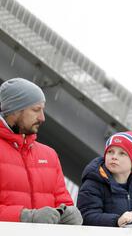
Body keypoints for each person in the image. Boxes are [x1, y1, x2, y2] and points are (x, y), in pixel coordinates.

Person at [0, 78, 82, 225]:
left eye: (42, 110)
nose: (42, 117)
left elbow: (63, 201)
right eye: (36, 110)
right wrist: (25, 217)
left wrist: (69, 213)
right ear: (14, 110)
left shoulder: (49, 155)